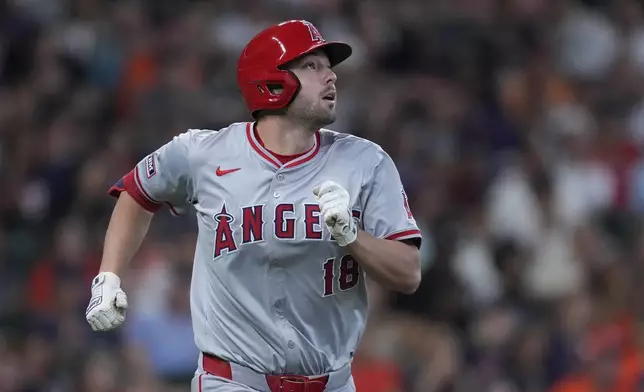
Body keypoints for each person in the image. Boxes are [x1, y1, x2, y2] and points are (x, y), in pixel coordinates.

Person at [85, 19, 422, 392]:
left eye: (329, 66)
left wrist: (352, 237)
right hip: (232, 381)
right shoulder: (204, 154)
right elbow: (137, 192)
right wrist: (109, 276)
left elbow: (408, 274)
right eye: (312, 66)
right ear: (272, 81)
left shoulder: (366, 162)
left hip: (332, 383)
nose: (331, 77)